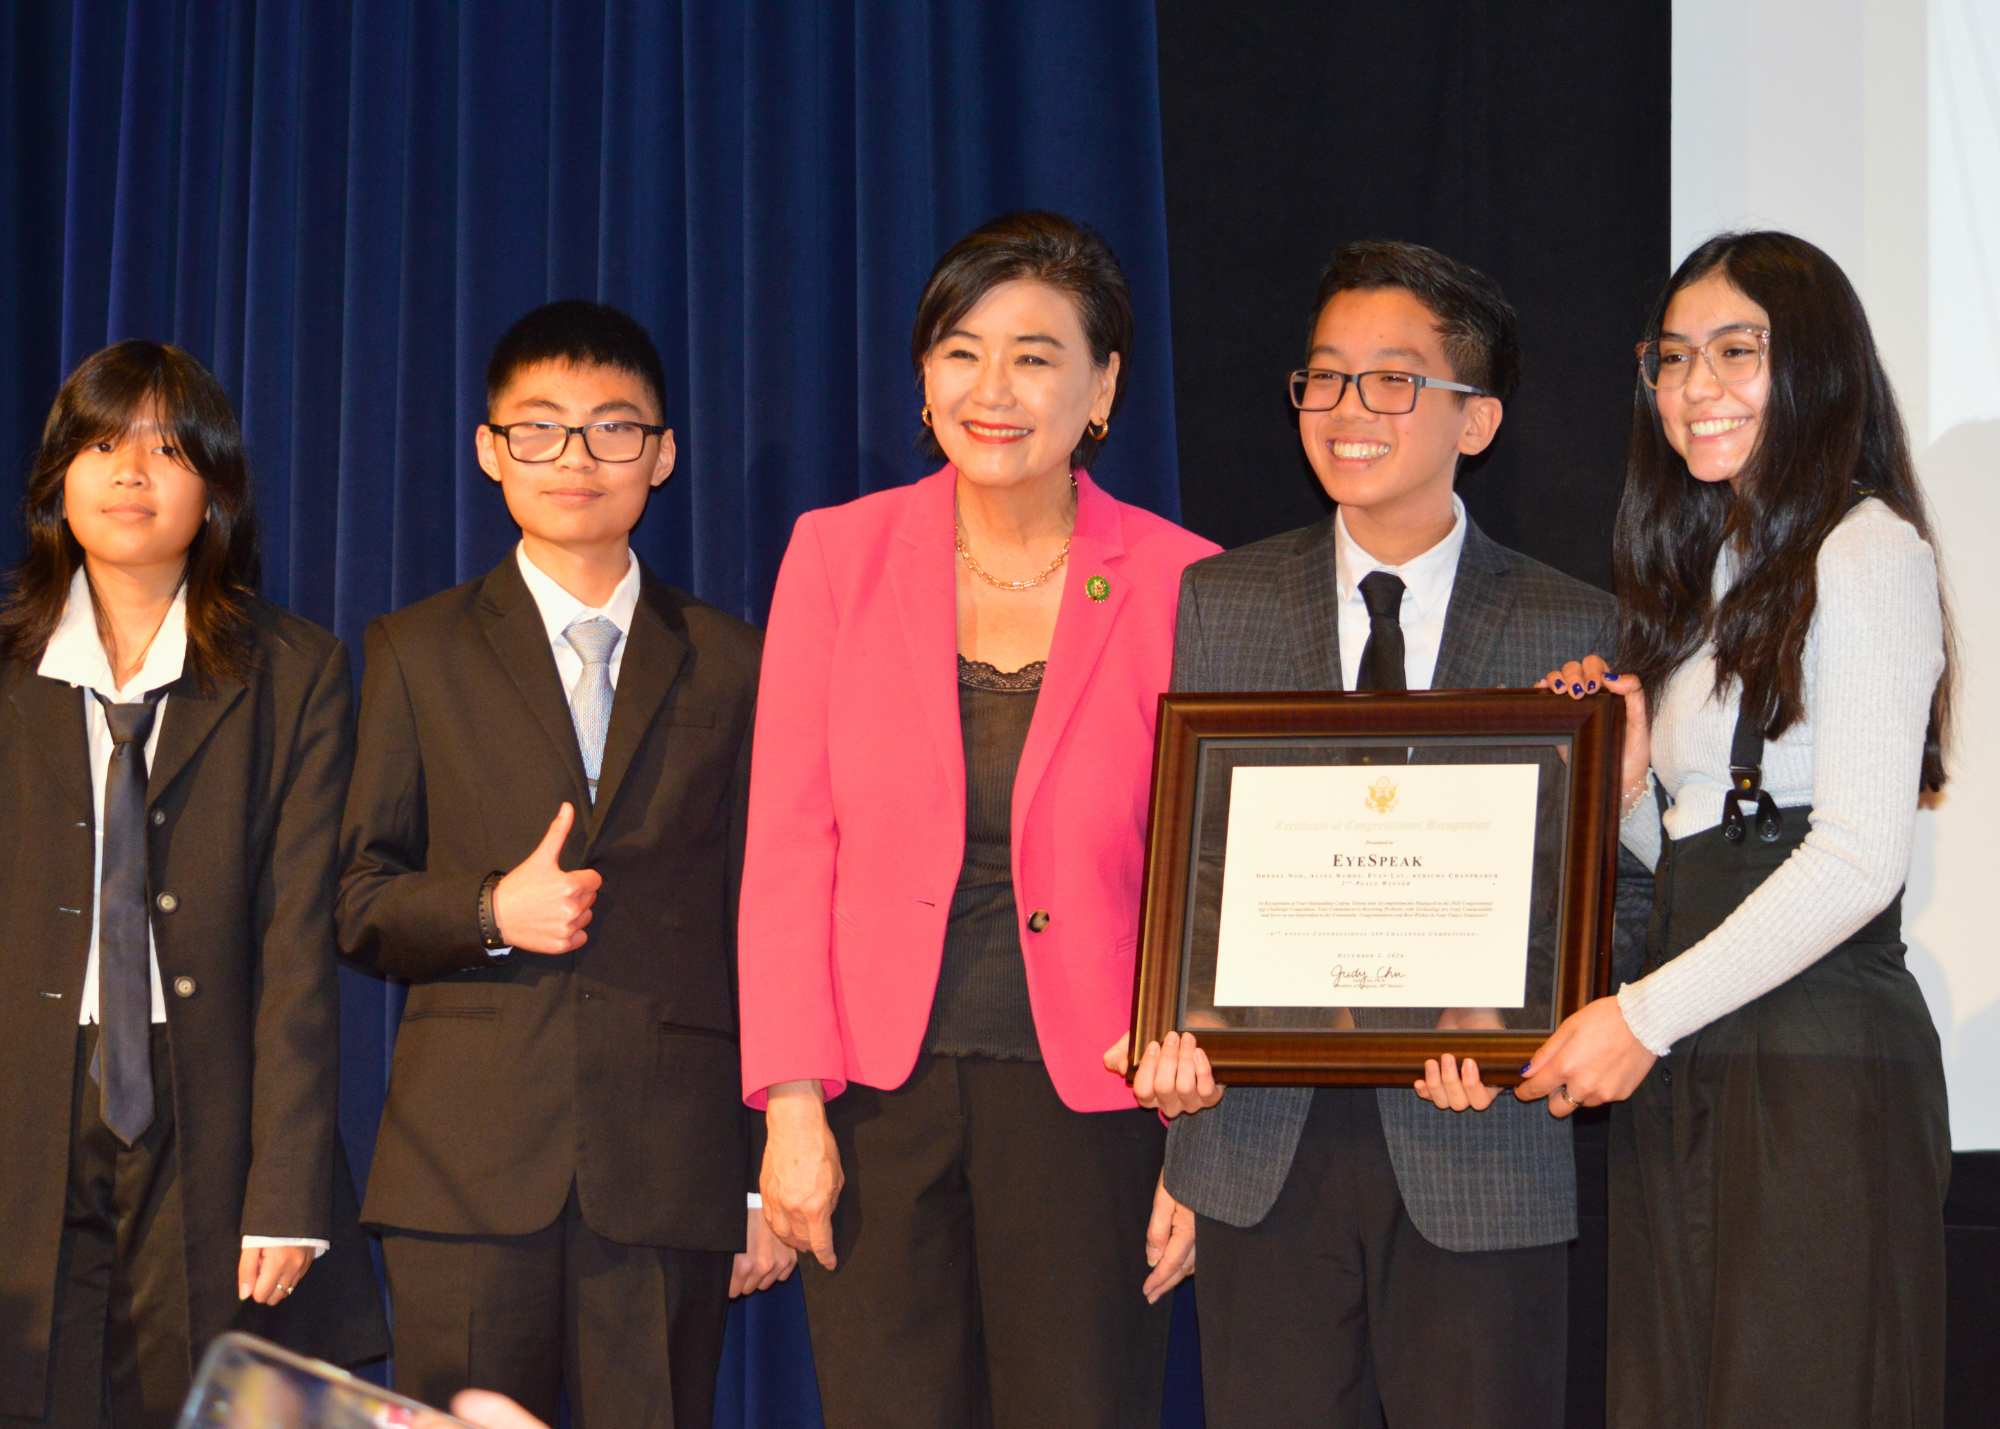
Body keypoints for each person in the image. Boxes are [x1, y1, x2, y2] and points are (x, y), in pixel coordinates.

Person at [1123, 240, 1655, 1429]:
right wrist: (1169, 1037)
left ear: (1477, 420)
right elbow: (1186, 870)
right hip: (1259, 1154)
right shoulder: (1222, 600)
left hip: (1482, 1156)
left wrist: (1530, 1039)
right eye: (1323, 377)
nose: (1348, 410)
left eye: (1393, 379)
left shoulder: (1573, 626)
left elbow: (1618, 904)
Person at [737, 211, 1220, 1428]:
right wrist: (792, 1101)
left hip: (1094, 1105)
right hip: (872, 1099)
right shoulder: (836, 556)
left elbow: (1215, 876)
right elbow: (789, 844)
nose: (991, 389)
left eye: (1035, 354)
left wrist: (1209, 1136)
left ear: (1102, 384)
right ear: (922, 376)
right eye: (960, 350)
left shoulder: (1187, 581)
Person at [1525, 231, 1954, 1428]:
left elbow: (1860, 857)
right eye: (1670, 359)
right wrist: (1622, 804)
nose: (1692, 388)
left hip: (1813, 1061)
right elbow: (1720, 850)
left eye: (1733, 352)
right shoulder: (1710, 566)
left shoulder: (1865, 552)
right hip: (1708, 1040)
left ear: (1813, 368)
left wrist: (1638, 1016)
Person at [336, 301, 785, 1429]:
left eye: (611, 428)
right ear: (490, 451)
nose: (575, 459)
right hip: (466, 1171)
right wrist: (492, 908)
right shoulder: (415, 649)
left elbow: (766, 917)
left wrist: (755, 1166)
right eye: (538, 429)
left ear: (663, 453)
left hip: (670, 1168)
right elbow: (357, 899)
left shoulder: (736, 659)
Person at [0, 341, 386, 1429]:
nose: (131, 472)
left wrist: (289, 1187)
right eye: (101, 444)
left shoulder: (295, 672)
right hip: (26, 1103)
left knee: (211, 1402)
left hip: (209, 1112)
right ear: (55, 484)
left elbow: (298, 948)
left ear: (213, 490)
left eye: (168, 448)